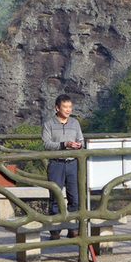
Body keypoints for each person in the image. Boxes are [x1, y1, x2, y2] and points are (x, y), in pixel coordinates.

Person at [41, 94, 84, 240]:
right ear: (57, 107)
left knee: (75, 197)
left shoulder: (75, 123)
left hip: (72, 163)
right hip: (56, 163)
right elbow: (46, 144)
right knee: (55, 197)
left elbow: (81, 139)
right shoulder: (48, 124)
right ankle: (55, 229)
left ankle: (72, 227)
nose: (68, 110)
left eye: (70, 106)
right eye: (65, 107)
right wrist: (63, 144)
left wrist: (79, 145)